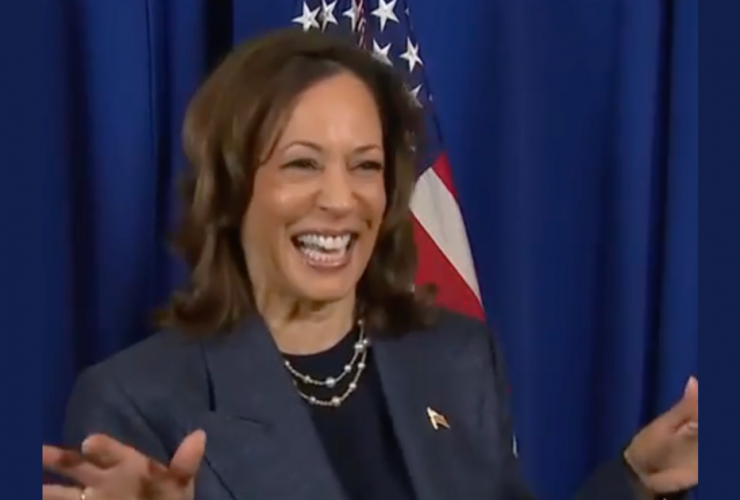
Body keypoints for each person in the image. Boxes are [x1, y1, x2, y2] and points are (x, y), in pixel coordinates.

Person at [42, 27, 698, 500]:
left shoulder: (457, 357)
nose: (340, 199)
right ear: (233, 188)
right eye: (302, 164)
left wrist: (633, 479)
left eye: (365, 166)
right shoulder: (136, 402)